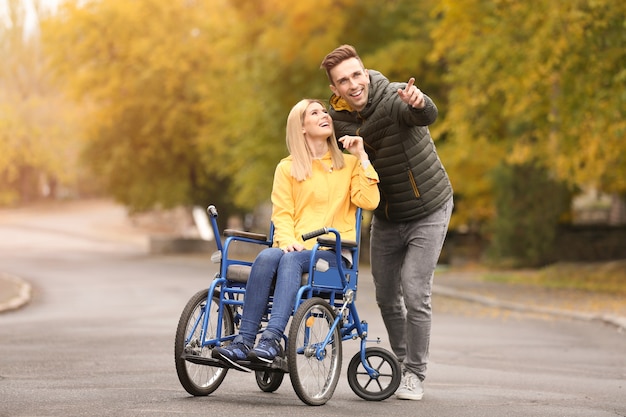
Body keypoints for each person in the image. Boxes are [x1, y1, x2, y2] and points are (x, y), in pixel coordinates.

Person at [320, 45, 454, 401]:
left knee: (414, 290)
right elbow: (315, 146)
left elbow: (426, 114)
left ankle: (415, 373)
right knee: (384, 294)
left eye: (356, 75)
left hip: (429, 208)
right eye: (343, 81)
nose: (353, 84)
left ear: (366, 73)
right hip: (387, 217)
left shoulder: (395, 97)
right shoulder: (338, 122)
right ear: (335, 89)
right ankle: (401, 361)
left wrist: (419, 100)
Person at [212, 99, 380, 369]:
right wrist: (288, 241)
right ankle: (243, 342)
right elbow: (282, 213)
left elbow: (369, 202)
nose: (325, 115)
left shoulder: (348, 165)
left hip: (332, 254)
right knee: (267, 256)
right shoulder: (287, 168)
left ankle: (271, 339)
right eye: (315, 113)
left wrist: (362, 157)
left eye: (324, 111)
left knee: (289, 260)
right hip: (295, 248)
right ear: (301, 127)